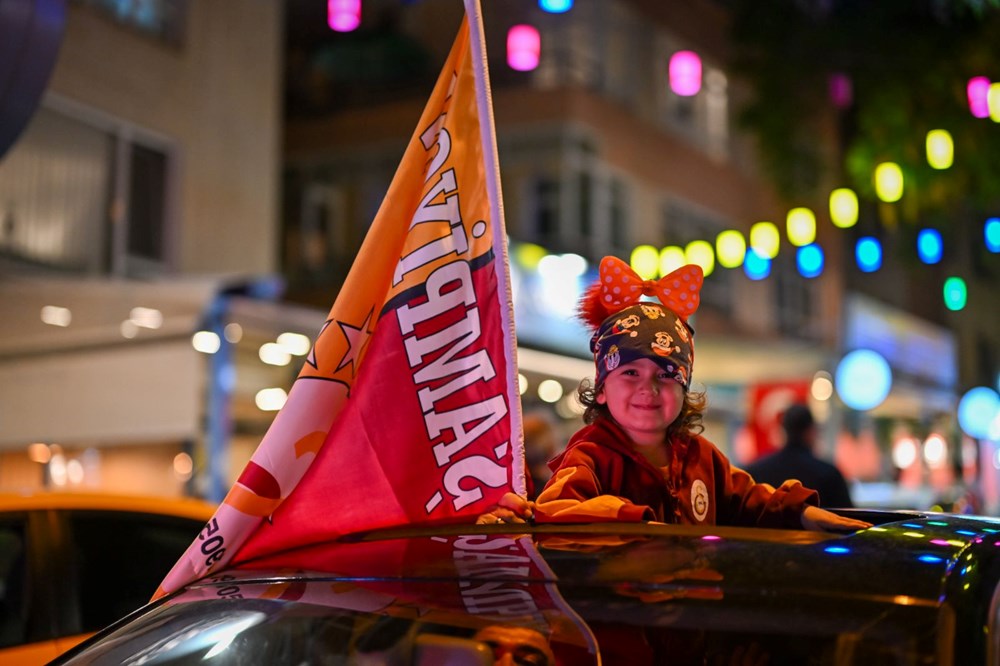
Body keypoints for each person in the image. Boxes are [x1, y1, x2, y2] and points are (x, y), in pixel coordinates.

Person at [482, 256, 869, 534]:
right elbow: (557, 512)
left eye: (667, 375)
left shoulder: (704, 458)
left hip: (695, 634)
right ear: (601, 388)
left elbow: (754, 501)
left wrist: (805, 513)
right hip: (620, 640)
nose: (648, 389)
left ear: (684, 389)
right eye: (630, 372)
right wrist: (636, 523)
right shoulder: (589, 458)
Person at [744, 403, 854, 508]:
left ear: (784, 430)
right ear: (811, 431)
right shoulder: (829, 474)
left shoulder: (755, 471)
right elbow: (848, 519)